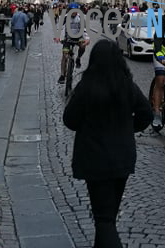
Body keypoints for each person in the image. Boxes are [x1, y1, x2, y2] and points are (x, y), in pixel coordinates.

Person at [63, 40, 153, 248]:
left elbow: (69, 120)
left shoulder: (87, 86)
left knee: (104, 219)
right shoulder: (127, 86)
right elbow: (146, 114)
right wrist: (128, 129)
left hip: (95, 158)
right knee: (108, 215)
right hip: (122, 158)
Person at [55, 5, 89, 84]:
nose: (74, 12)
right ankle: (62, 75)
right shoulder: (65, 17)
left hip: (78, 37)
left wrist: (87, 38)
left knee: (83, 46)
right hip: (68, 38)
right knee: (64, 55)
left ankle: (78, 58)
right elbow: (60, 27)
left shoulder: (81, 17)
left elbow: (84, 29)